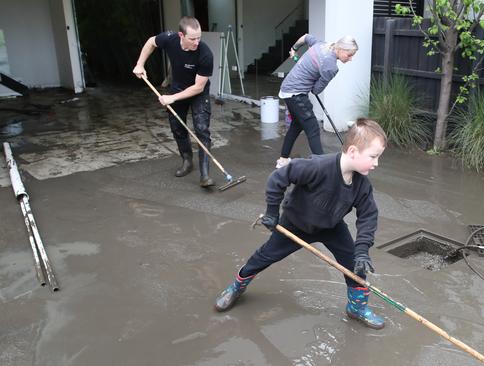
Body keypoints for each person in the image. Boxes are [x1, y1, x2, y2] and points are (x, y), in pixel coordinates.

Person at [214, 118, 388, 330]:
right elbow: (278, 178)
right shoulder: (317, 166)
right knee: (265, 256)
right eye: (373, 157)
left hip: (331, 227)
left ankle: (356, 308)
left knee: (355, 265)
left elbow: (368, 216)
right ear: (353, 151)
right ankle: (236, 287)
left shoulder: (362, 185)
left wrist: (362, 251)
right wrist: (271, 212)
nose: (376, 163)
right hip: (296, 224)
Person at [133, 16, 215, 187]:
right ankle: (187, 160)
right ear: (181, 35)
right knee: (177, 127)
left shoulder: (205, 54)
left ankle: (205, 174)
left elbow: (198, 88)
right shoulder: (169, 39)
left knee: (201, 129)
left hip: (198, 93)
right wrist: (140, 64)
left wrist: (172, 98)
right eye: (192, 38)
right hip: (178, 88)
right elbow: (151, 42)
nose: (197, 42)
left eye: (199, 37)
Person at [275, 34, 358, 169]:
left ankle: (283, 160)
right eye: (349, 55)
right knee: (313, 128)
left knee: (297, 125)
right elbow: (316, 90)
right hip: (296, 94)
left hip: (287, 89)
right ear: (341, 49)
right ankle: (323, 168)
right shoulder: (331, 67)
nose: (351, 59)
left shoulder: (320, 45)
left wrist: (294, 49)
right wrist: (313, 76)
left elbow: (306, 37)